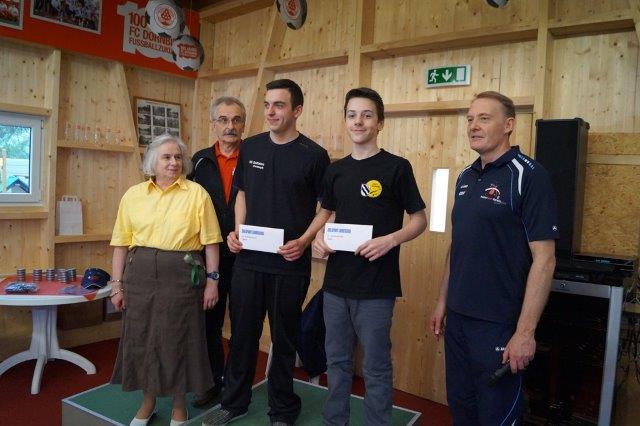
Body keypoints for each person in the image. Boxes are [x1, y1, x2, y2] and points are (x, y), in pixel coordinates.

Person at [203, 79, 331, 426]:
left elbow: (326, 207)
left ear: (297, 110)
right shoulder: (252, 147)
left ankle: (283, 408)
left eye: (279, 105)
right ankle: (234, 403)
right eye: (267, 105)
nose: (271, 112)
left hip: (290, 264)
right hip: (248, 262)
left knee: (284, 340)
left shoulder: (314, 155)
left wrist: (305, 240)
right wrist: (238, 231)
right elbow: (242, 193)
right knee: (242, 336)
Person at [429, 91, 558, 425]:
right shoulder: (465, 176)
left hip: (499, 324)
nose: (473, 126)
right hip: (458, 319)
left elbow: (545, 260)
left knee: (495, 416)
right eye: (470, 119)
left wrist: (525, 333)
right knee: (462, 408)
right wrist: (442, 302)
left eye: (484, 119)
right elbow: (458, 245)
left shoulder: (529, 175)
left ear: (509, 125)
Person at [313, 87, 427, 425]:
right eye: (352, 115)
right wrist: (318, 238)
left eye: (366, 115)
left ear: (380, 123)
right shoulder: (335, 170)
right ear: (346, 120)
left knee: (376, 367)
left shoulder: (397, 168)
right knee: (337, 362)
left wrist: (390, 240)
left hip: (377, 288)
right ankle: (335, 421)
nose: (358, 121)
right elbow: (326, 214)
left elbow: (419, 220)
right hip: (336, 286)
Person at [109, 134, 223, 426]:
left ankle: (179, 407)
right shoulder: (133, 195)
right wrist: (116, 285)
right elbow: (120, 244)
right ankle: (147, 404)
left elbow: (211, 242)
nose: (174, 163)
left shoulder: (197, 194)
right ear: (152, 162)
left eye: (178, 157)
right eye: (167, 157)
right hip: (139, 277)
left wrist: (212, 281)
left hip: (183, 277)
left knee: (179, 340)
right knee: (142, 339)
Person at [188, 96, 246, 408]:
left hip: (246, 256)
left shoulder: (255, 157)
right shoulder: (198, 161)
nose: (230, 126)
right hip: (207, 256)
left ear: (243, 124)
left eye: (236, 120)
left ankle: (235, 387)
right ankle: (211, 381)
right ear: (213, 124)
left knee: (242, 324)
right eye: (223, 120)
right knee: (208, 323)